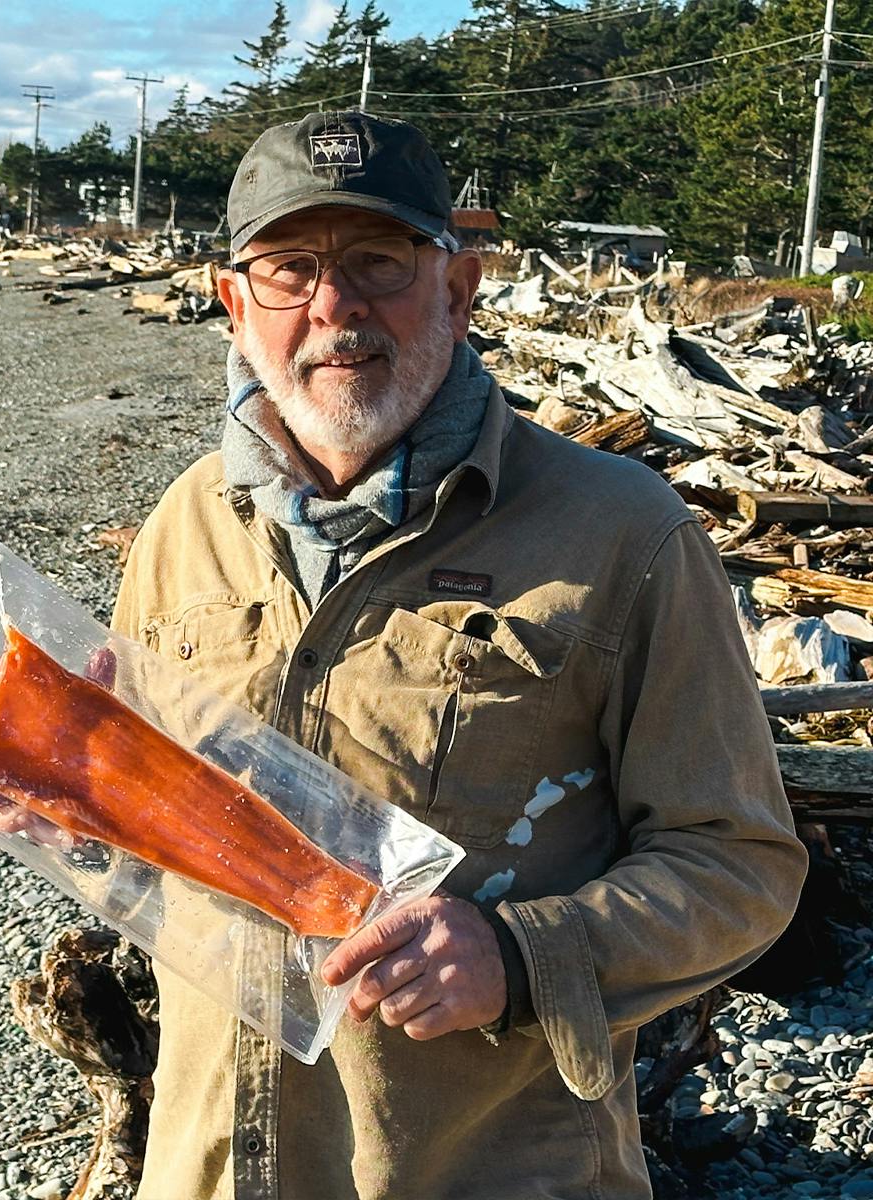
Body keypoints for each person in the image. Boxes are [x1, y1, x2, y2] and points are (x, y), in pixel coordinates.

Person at [107, 111, 808, 1199]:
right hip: (207, 1164)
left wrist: (522, 956)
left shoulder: (622, 534)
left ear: (460, 288)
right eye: (290, 270)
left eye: (379, 262)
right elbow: (160, 839)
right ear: (235, 305)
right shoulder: (182, 527)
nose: (336, 308)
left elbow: (743, 865)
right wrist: (73, 804)